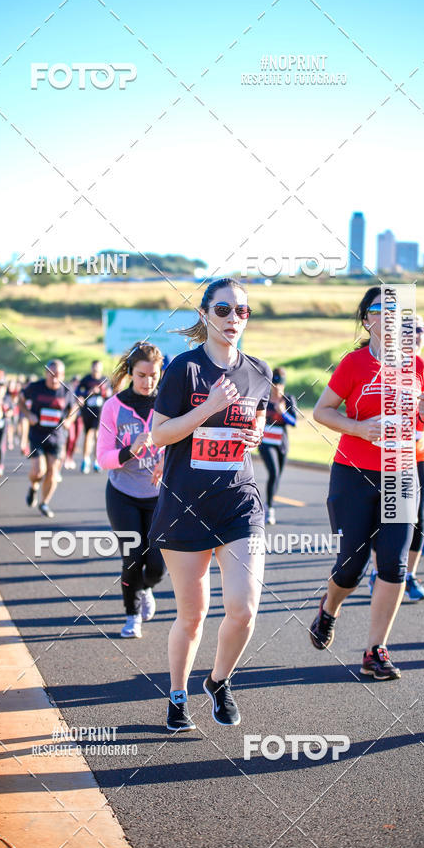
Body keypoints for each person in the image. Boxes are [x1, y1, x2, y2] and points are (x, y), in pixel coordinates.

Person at [150, 277, 272, 731]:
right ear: (205, 314)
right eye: (223, 310)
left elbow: (251, 427)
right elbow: (159, 435)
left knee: (243, 608)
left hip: (239, 502)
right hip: (185, 506)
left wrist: (255, 435)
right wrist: (208, 408)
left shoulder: (259, 371)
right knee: (193, 614)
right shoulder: (184, 368)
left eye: (242, 311)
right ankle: (178, 693)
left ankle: (219, 681)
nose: (233, 319)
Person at [312, 288, 424, 680]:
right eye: (383, 310)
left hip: (401, 472)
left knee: (395, 564)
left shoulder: (420, 366)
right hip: (353, 472)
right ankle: (329, 608)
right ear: (368, 319)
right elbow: (322, 412)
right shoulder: (353, 364)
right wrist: (359, 428)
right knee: (351, 566)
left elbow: (422, 422)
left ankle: (374, 650)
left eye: (398, 310)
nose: (391, 316)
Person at [96, 343, 165, 639]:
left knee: (158, 566)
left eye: (153, 375)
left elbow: (182, 441)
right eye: (141, 375)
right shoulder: (113, 407)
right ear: (130, 373)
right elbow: (103, 458)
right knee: (132, 557)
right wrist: (130, 451)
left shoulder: (168, 403)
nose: (148, 382)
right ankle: (131, 616)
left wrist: (166, 460)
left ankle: (146, 587)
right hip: (123, 494)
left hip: (158, 495)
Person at [369, 316, 424, 601]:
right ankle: (378, 572)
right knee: (388, 515)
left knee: (419, 517)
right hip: (387, 451)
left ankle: (407, 575)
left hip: (421, 450)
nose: (417, 335)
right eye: (409, 330)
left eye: (422, 329)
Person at [18, 360, 75, 518]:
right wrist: (29, 415)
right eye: (51, 374)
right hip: (37, 435)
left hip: (57, 438)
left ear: (63, 375)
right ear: (46, 374)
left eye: (58, 375)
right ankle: (33, 486)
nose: (54, 378)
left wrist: (69, 420)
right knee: (39, 470)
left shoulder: (67, 390)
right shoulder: (35, 387)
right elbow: (20, 401)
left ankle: (44, 503)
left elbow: (74, 408)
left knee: (52, 472)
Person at [258, 366, 297, 525]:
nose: (277, 388)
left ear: (284, 385)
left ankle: (268, 503)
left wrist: (283, 413)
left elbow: (294, 422)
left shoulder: (288, 399)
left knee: (277, 477)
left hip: (281, 443)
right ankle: (270, 509)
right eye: (274, 385)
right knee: (273, 472)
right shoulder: (264, 398)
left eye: (279, 385)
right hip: (266, 442)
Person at [77, 361, 112, 473]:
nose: (96, 370)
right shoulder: (86, 379)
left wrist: (104, 392)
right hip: (87, 411)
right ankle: (86, 460)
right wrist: (88, 392)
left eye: (98, 368)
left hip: (100, 412)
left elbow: (110, 394)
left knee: (95, 434)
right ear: (91, 368)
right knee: (88, 434)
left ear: (101, 368)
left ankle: (96, 461)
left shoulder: (105, 380)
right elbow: (78, 391)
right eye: (94, 367)